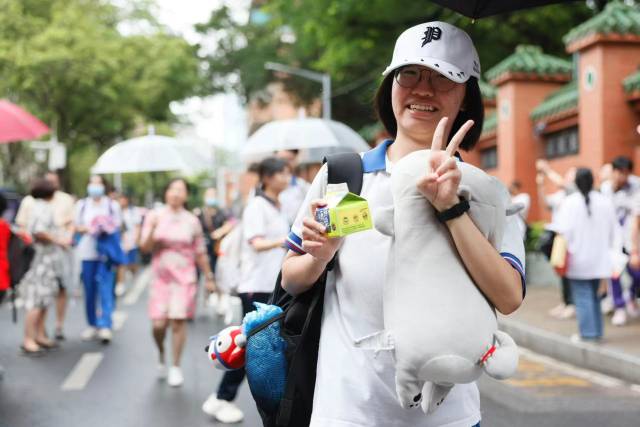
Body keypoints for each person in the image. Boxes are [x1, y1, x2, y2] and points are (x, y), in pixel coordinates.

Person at [281, 21, 524, 427]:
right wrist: (317, 259)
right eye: (409, 74)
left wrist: (451, 209)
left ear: (466, 96)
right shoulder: (347, 177)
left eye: (443, 78)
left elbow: (509, 296)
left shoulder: (485, 193)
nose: (422, 90)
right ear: (391, 86)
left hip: (449, 417)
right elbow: (291, 279)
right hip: (347, 410)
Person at [202, 157, 291, 424]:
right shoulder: (256, 206)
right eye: (283, 173)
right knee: (249, 347)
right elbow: (256, 243)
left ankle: (224, 398)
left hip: (272, 284)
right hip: (256, 286)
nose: (288, 177)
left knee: (262, 347)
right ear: (269, 177)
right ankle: (221, 397)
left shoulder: (278, 206)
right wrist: (286, 241)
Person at [139, 178, 216, 388]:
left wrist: (209, 278)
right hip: (161, 277)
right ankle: (162, 352)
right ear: (166, 193)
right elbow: (144, 248)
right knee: (158, 324)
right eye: (172, 189)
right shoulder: (154, 216)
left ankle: (176, 366)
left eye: (180, 190)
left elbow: (200, 251)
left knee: (178, 320)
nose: (175, 193)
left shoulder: (191, 220)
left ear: (186, 195)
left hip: (185, 277)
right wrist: (153, 230)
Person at [553, 168, 617, 342]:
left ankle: (588, 334)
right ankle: (596, 331)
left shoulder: (569, 202)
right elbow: (614, 231)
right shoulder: (605, 202)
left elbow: (562, 232)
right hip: (600, 259)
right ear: (593, 181)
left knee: (583, 297)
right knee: (595, 296)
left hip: (577, 259)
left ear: (575, 183)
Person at [15, 171, 74, 340]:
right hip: (40, 261)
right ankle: (29, 339)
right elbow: (39, 231)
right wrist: (58, 240)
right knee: (36, 300)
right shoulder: (41, 208)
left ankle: (39, 336)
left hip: (46, 260)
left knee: (43, 300)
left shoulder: (40, 206)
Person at [74, 175, 122, 344]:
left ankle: (105, 325)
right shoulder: (82, 205)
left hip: (105, 254)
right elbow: (76, 227)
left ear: (104, 186)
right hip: (87, 253)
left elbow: (117, 227)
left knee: (106, 288)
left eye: (98, 183)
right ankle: (92, 323)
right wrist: (89, 228)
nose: (95, 186)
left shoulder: (112, 205)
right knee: (90, 289)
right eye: (92, 183)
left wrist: (104, 228)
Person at [600, 156, 640, 326]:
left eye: (625, 173)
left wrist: (634, 250)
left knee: (637, 273)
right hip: (612, 240)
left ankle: (630, 294)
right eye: (618, 172)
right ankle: (619, 307)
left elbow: (636, 219)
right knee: (614, 275)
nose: (621, 176)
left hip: (632, 238)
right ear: (613, 172)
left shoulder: (636, 186)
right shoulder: (605, 188)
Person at [536, 160, 577, 320]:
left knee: (570, 273)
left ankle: (572, 304)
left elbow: (562, 183)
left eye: (571, 175)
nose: (567, 178)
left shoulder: (575, 192)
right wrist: (540, 185)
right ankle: (566, 302)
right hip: (559, 238)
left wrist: (547, 170)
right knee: (561, 271)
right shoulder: (561, 195)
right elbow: (545, 202)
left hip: (571, 239)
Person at [194, 187, 235, 279]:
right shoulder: (199, 213)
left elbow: (232, 222)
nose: (211, 197)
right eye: (209, 195)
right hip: (203, 250)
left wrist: (221, 231)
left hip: (217, 250)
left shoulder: (222, 212)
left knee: (218, 275)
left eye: (213, 195)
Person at [116, 192, 142, 297]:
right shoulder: (116, 211)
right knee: (121, 264)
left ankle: (133, 276)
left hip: (132, 243)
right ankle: (120, 284)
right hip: (120, 243)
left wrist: (137, 240)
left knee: (132, 265)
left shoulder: (133, 211)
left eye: (123, 199)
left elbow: (137, 226)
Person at [276, 149, 310, 226]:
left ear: (296, 160)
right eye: (281, 159)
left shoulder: (302, 186)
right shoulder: (263, 188)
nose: (285, 163)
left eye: (290, 159)